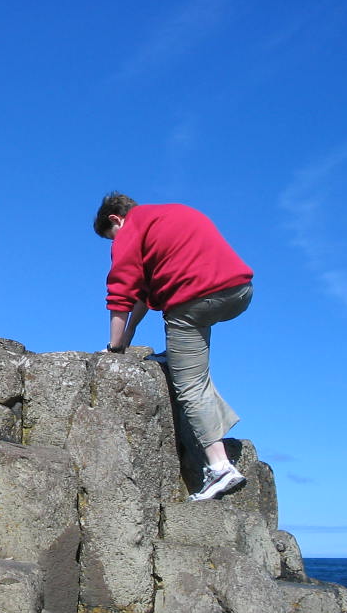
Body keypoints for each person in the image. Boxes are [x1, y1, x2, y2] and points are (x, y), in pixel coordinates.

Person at [93, 192, 253, 502]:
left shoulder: (131, 228)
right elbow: (144, 293)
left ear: (115, 219)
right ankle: (178, 358)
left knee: (189, 384)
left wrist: (114, 348)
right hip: (238, 291)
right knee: (192, 364)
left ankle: (220, 467)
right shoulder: (171, 214)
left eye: (111, 236)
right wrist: (129, 334)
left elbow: (122, 292)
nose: (114, 243)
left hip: (194, 299)